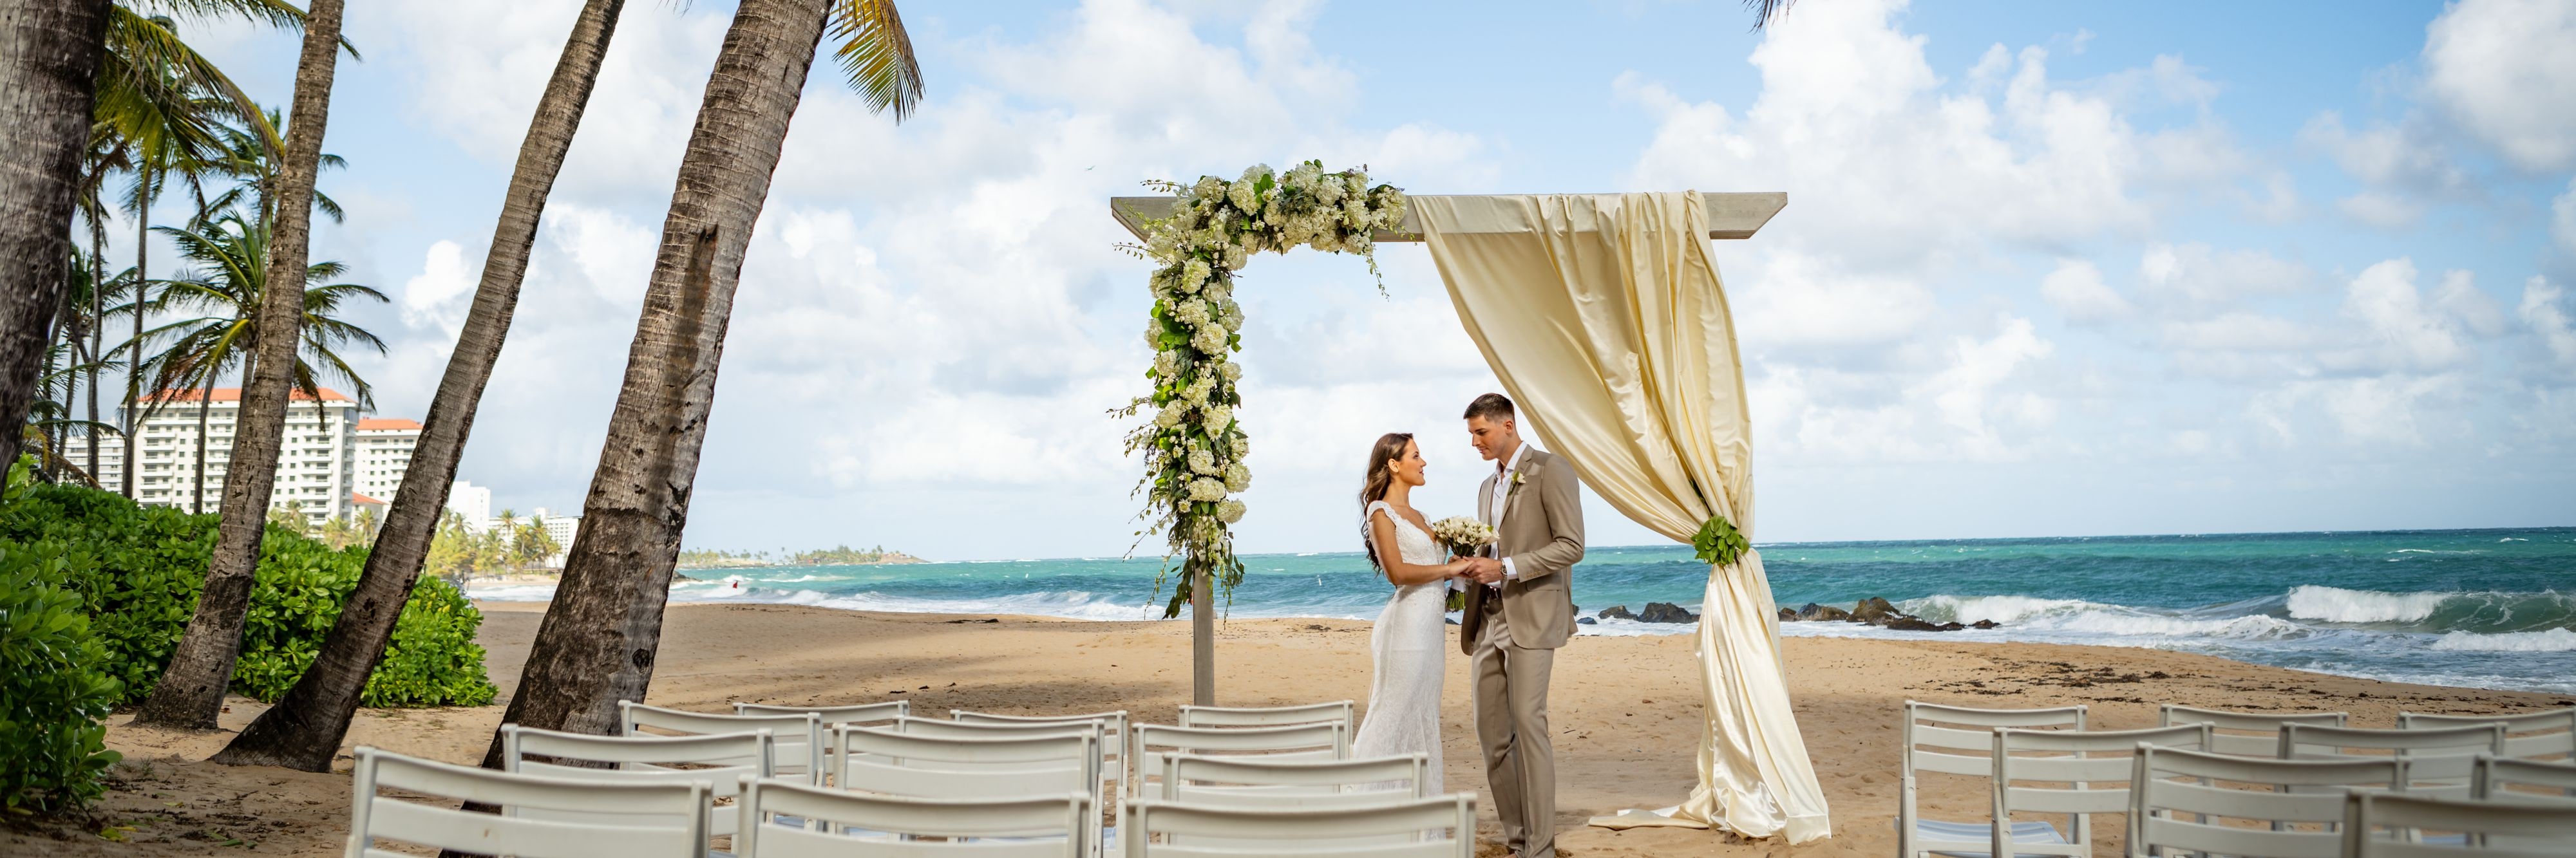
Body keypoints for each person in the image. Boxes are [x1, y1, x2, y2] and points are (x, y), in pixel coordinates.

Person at [1458, 393, 1583, 858]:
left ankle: (1542, 848)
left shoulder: (1552, 470)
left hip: (1531, 614)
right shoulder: (1487, 488)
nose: (1475, 442)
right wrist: (1474, 564)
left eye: (1481, 432)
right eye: (1472, 434)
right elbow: (1493, 551)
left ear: (1508, 424)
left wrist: (1506, 567)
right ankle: (1517, 839)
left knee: (1530, 726)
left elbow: (1572, 545)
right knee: (1491, 736)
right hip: (1487, 618)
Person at [1352, 432, 1472, 794]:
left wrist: (1457, 576)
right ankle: (1364, 801)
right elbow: (1398, 574)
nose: (1423, 463)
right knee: (1394, 709)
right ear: (1394, 464)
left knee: (1422, 713)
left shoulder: (1423, 516)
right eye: (1416, 456)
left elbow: (1438, 581)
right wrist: (1448, 571)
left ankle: (1414, 806)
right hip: (1405, 628)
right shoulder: (1380, 512)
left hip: (1431, 629)